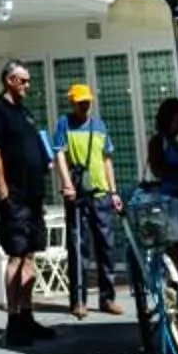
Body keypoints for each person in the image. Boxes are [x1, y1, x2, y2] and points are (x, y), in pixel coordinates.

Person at [0, 60, 51, 348]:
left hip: (33, 195)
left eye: (28, 81)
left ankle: (27, 314)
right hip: (16, 196)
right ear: (9, 80)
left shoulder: (24, 112)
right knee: (16, 255)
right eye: (23, 80)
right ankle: (13, 320)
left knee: (30, 256)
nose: (27, 85)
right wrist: (4, 195)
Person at [50, 83, 122, 319]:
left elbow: (107, 159)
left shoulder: (100, 126)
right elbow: (59, 153)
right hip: (78, 194)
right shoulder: (64, 124)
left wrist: (114, 191)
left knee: (107, 247)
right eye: (80, 102)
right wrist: (66, 183)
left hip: (101, 194)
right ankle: (78, 301)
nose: (85, 105)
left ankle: (107, 299)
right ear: (72, 102)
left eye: (87, 101)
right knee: (78, 248)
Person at [144, 99, 178, 295]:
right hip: (169, 205)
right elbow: (158, 170)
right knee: (174, 262)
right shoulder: (158, 142)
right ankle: (174, 305)